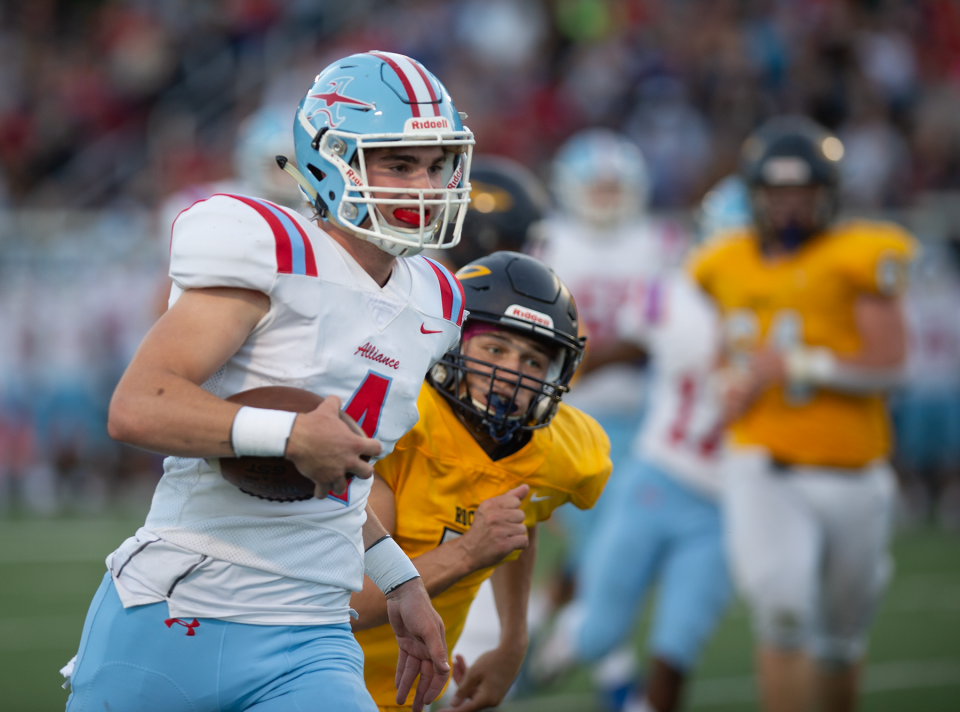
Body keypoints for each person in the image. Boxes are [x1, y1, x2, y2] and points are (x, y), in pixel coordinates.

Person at [61, 51, 475, 712]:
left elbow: (334, 481)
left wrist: (401, 583)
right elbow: (136, 406)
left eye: (435, 164)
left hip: (312, 630)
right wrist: (285, 435)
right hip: (180, 606)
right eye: (398, 163)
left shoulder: (436, 301)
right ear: (329, 160)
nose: (424, 185)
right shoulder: (271, 249)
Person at [689, 116, 916, 712]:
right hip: (766, 464)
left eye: (803, 193)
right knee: (783, 608)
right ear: (755, 197)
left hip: (854, 472)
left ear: (829, 195)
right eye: (777, 194)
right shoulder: (726, 260)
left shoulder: (859, 255)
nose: (789, 206)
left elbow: (891, 366)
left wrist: (801, 367)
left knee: (841, 640)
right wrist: (726, 388)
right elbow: (724, 359)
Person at [350, 251, 613, 712]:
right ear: (452, 344)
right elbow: (351, 602)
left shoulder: (560, 450)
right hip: (321, 674)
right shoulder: (399, 422)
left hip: (407, 694)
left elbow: (519, 513)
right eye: (494, 349)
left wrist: (513, 639)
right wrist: (470, 550)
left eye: (533, 362)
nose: (510, 374)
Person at [528, 177, 752, 712]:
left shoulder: (802, 308)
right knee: (600, 626)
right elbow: (624, 347)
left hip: (731, 496)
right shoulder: (673, 297)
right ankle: (560, 643)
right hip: (661, 471)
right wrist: (552, 381)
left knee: (678, 648)